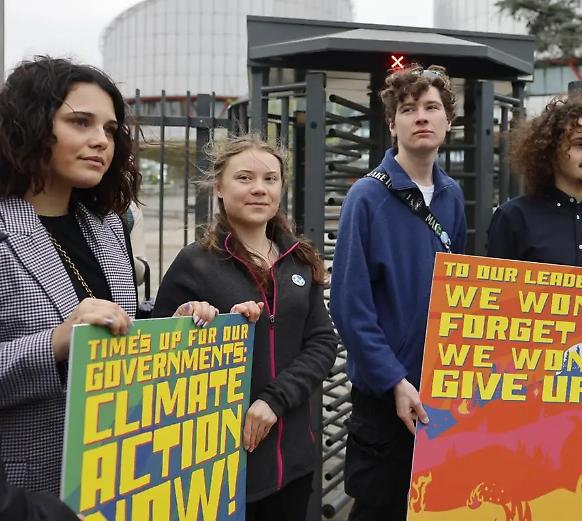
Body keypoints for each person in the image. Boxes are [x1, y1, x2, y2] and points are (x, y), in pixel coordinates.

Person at [0, 56, 212, 496]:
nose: (101, 141)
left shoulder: (108, 224)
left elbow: (116, 322)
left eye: (110, 130)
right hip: (28, 485)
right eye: (81, 122)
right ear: (30, 124)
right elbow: (72, 334)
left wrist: (175, 321)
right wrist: (57, 341)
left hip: (117, 474)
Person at [153, 134, 338, 521]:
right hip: (220, 466)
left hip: (294, 463)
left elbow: (321, 342)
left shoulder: (300, 260)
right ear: (219, 187)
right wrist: (194, 322)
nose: (259, 189)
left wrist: (274, 400)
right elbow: (157, 360)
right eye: (244, 178)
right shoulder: (194, 264)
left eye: (270, 179)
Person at [486, 95, 582, 519]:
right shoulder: (513, 218)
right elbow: (492, 310)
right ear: (550, 150)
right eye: (578, 142)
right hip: (530, 399)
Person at [330, 64, 467, 521]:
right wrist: (394, 380)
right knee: (379, 509)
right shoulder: (365, 198)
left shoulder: (451, 197)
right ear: (392, 124)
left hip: (439, 391)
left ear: (448, 121)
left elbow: (458, 294)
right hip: (385, 397)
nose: (421, 117)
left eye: (432, 108)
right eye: (409, 109)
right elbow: (350, 306)